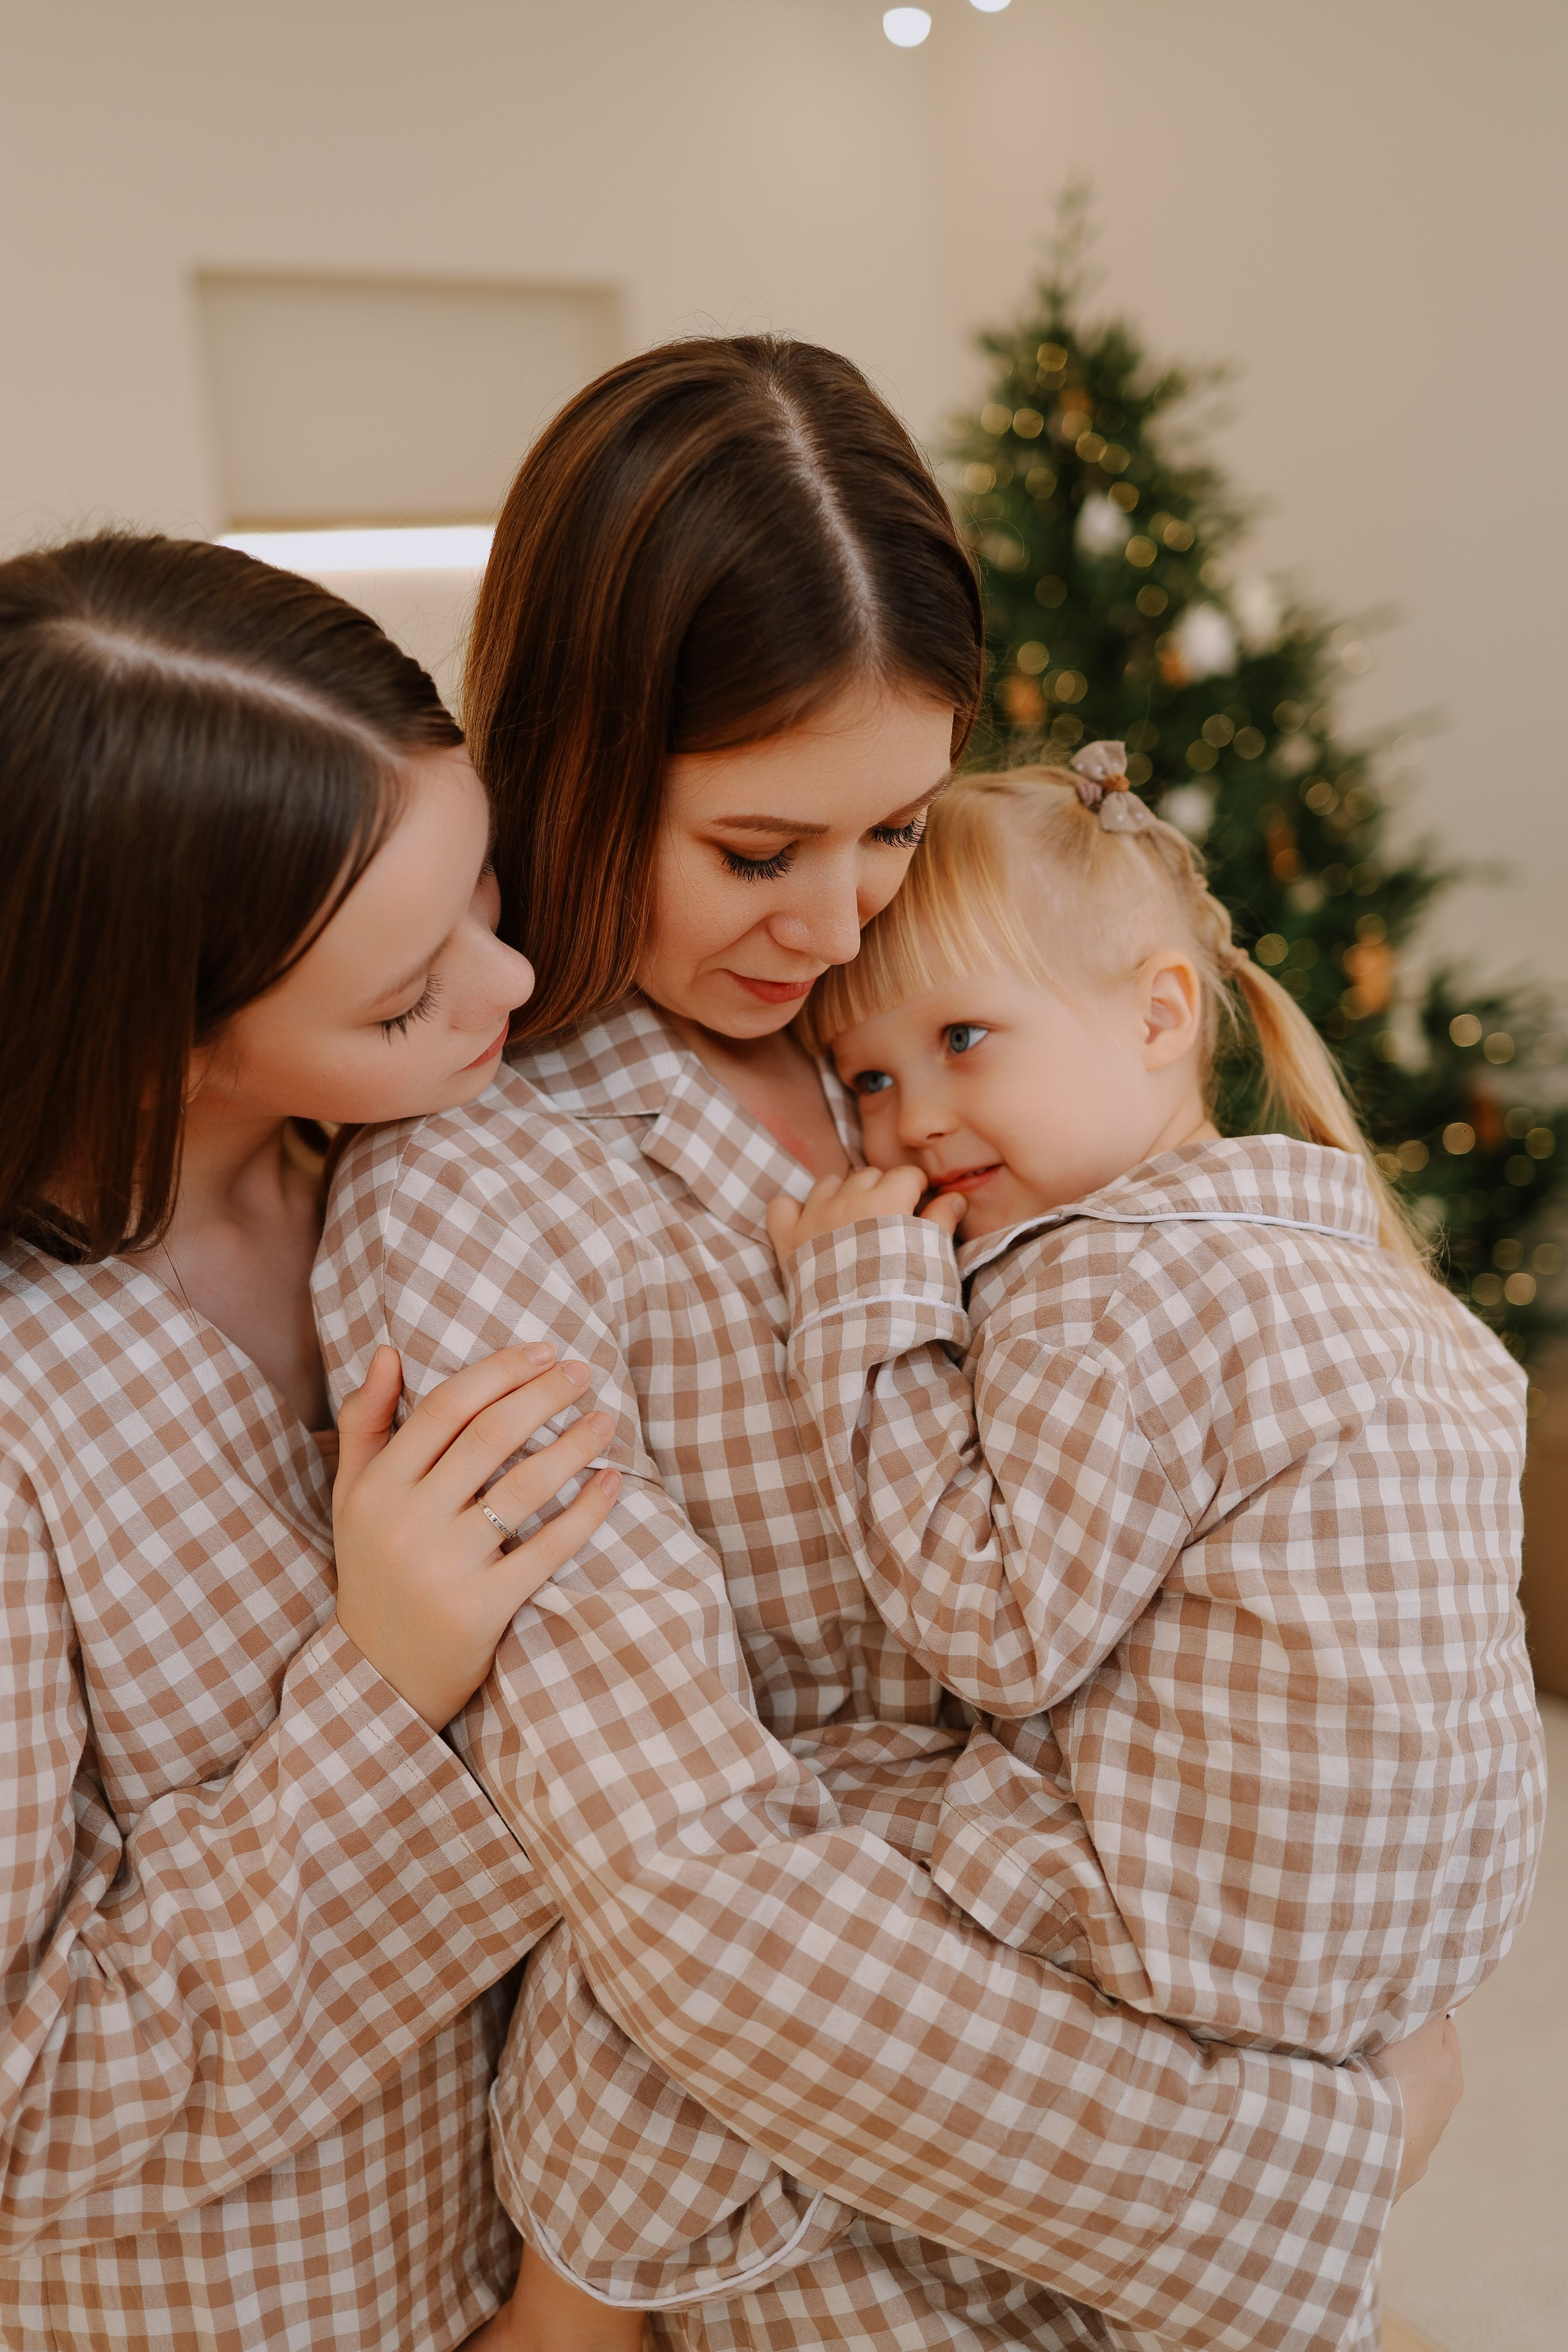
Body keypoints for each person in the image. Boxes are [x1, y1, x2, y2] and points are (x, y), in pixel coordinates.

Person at [314, 338, 1462, 2352]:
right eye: (760, 853)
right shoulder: (472, 1203)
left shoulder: (936, 1048)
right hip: (835, 2243)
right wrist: (1305, 2161)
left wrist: (1375, 1961)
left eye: (896, 833)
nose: (843, 924)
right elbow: (690, 1893)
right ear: (580, 765)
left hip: (1179, 2046)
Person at [0, 532, 619, 2352]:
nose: (510, 990)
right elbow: (27, 2117)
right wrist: (383, 1683)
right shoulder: (35, 1417)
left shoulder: (428, 1178)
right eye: (404, 994)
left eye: (484, 894)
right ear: (154, 1036)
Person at [766, 748, 1544, 2063]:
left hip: (1207, 1911)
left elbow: (1001, 1631)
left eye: (961, 1037)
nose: (912, 1121)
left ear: (1156, 1016)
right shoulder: (1346, 1259)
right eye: (867, 1079)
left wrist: (857, 1315)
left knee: (768, 1814)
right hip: (1439, 1916)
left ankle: (577, 2272)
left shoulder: (1106, 1293)